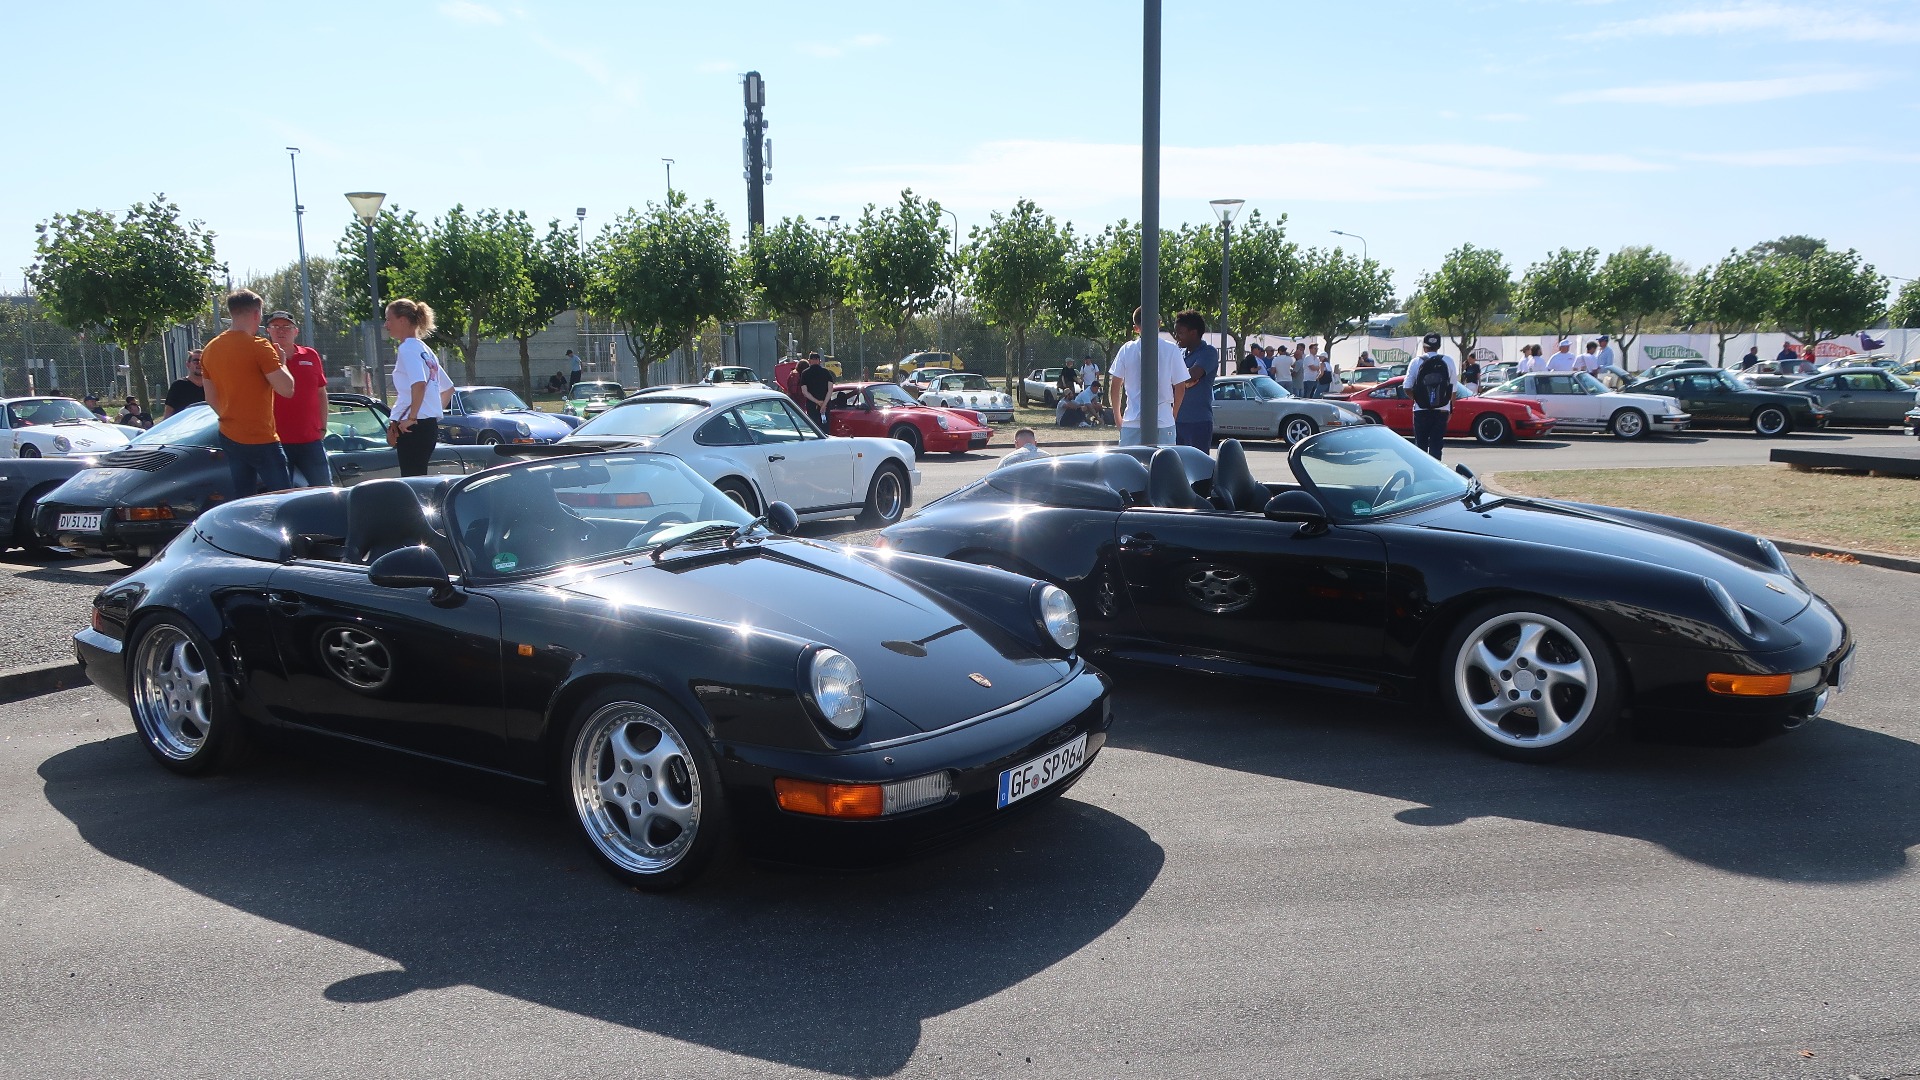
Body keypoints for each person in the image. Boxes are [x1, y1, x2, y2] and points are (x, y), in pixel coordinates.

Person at [200, 289, 295, 494]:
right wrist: (283, 363)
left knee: (243, 499)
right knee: (284, 498)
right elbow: (287, 389)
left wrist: (232, 416)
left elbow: (210, 397)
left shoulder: (209, 349)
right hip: (262, 437)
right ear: (256, 314)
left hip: (229, 434)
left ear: (232, 313)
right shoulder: (260, 347)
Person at [265, 310, 332, 487]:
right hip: (275, 441)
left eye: (286, 327)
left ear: (296, 331)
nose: (281, 331)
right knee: (281, 495)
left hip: (310, 439)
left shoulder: (310, 355)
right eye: (276, 326)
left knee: (324, 490)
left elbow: (321, 393)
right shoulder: (262, 357)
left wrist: (323, 428)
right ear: (268, 331)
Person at [384, 298, 446, 478]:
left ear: (402, 320)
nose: (387, 325)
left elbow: (418, 384)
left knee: (412, 481)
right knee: (419, 478)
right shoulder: (424, 348)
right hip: (427, 426)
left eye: (389, 319)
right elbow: (448, 388)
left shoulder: (408, 348)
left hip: (413, 427)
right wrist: (430, 413)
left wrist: (412, 418)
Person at [1108, 307, 1185, 446]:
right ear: (1159, 323)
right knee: (1163, 466)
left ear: (1136, 328)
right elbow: (1180, 387)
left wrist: (1118, 418)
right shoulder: (1172, 349)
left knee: (1130, 466)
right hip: (1163, 420)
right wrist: (1172, 415)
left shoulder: (1126, 349)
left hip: (1132, 421)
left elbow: (1115, 386)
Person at [1408, 332, 1459, 461]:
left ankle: (1421, 475)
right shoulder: (1448, 361)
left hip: (1421, 410)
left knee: (1420, 446)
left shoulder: (1416, 362)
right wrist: (1450, 409)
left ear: (1424, 347)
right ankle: (1435, 475)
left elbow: (1406, 387)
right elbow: (1453, 388)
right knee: (1436, 445)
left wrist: (1418, 399)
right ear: (1438, 346)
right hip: (1442, 410)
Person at [1170, 310, 1217, 450]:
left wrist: (1176, 379)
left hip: (1199, 422)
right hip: (1176, 421)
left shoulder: (1208, 352)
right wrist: (1181, 382)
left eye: (1180, 333)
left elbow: (1193, 375)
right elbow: (1178, 378)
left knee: (1198, 468)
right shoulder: (1179, 353)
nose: (1177, 337)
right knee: (1177, 468)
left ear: (1193, 333)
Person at [163, 350, 208, 417]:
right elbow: (168, 415)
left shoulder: (212, 386)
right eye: (196, 361)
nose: (199, 364)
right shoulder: (178, 386)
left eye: (202, 361)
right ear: (188, 364)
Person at [798, 350, 834, 426]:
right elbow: (830, 389)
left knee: (814, 427)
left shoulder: (804, 373)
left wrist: (817, 402)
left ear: (809, 361)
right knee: (825, 427)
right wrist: (824, 404)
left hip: (811, 405)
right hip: (825, 405)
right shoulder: (826, 372)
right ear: (819, 361)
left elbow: (804, 392)